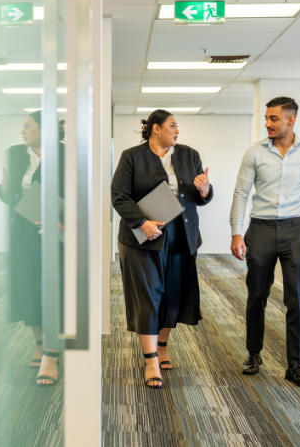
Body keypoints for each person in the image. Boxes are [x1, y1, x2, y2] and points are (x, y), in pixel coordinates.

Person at [229, 96, 300, 388]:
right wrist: (236, 232)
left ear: (291, 119)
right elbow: (241, 194)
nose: (267, 124)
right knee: (257, 296)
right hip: (260, 230)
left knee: (297, 299)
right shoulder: (255, 153)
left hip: (296, 231)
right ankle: (253, 353)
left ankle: (295, 365)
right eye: (266, 118)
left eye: (273, 118)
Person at [111, 109, 214, 389]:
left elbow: (198, 196)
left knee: (173, 294)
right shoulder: (132, 156)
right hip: (142, 238)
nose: (177, 130)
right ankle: (151, 358)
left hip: (181, 236)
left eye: (177, 126)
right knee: (148, 295)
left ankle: (163, 344)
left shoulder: (189, 155)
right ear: (156, 129)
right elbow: (119, 196)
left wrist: (205, 190)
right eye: (172, 125)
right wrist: (141, 223)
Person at [0, 111, 65, 387]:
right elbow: (9, 194)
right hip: (24, 231)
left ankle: (52, 353)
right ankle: (39, 342)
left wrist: (63, 222)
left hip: (55, 231)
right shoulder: (15, 154)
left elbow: (80, 193)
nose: (22, 131)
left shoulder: (65, 156)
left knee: (51, 290)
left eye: (28, 126)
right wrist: (3, 187)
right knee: (27, 287)